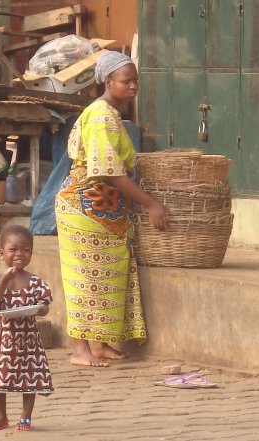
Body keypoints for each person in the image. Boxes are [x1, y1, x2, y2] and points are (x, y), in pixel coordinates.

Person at [55, 51, 168, 368]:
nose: (133, 86)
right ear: (108, 82)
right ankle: (81, 350)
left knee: (105, 277)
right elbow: (109, 172)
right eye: (125, 81)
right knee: (84, 279)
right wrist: (151, 204)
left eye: (135, 81)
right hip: (84, 207)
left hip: (103, 211)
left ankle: (99, 343)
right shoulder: (102, 117)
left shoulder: (108, 114)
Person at [0, 225, 53, 432]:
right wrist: (5, 280)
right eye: (13, 249)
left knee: (30, 378)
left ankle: (25, 417)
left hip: (29, 341)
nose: (19, 254)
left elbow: (45, 305)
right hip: (2, 340)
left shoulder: (35, 281)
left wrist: (40, 310)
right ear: (2, 253)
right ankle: (1, 417)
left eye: (26, 250)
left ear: (31, 253)